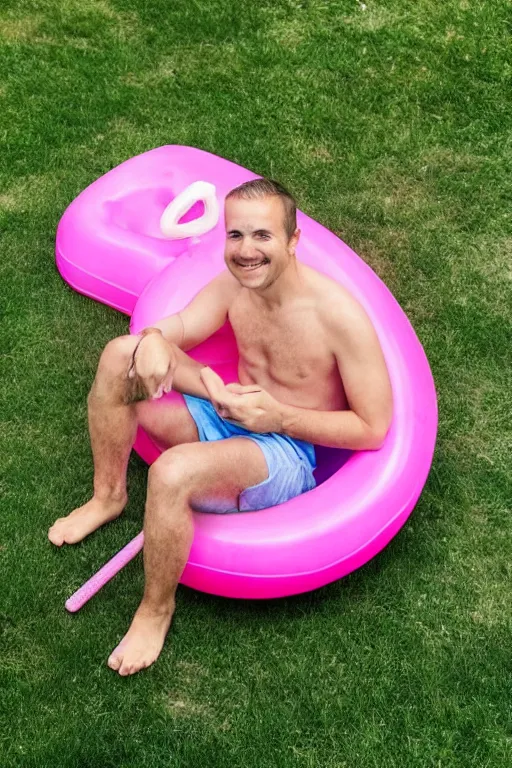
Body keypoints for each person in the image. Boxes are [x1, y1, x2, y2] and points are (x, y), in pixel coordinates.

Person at [48, 178, 393, 676]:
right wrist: (151, 338)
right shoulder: (235, 285)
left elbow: (373, 427)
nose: (247, 250)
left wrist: (280, 417)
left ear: (293, 241)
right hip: (227, 412)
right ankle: (108, 497)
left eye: (263, 236)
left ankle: (155, 610)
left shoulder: (339, 316)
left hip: (284, 449)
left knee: (171, 472)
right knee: (118, 355)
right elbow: (183, 325)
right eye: (236, 235)